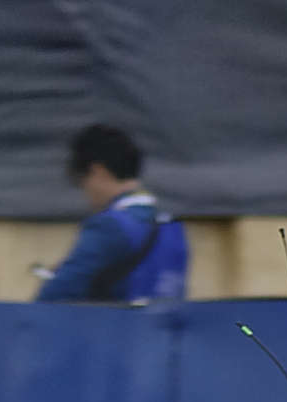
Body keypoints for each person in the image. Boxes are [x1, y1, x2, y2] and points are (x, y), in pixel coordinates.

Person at [37, 124, 187, 304]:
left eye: (81, 182)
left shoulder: (108, 227)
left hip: (118, 329)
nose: (85, 193)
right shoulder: (173, 227)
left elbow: (52, 299)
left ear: (97, 171)